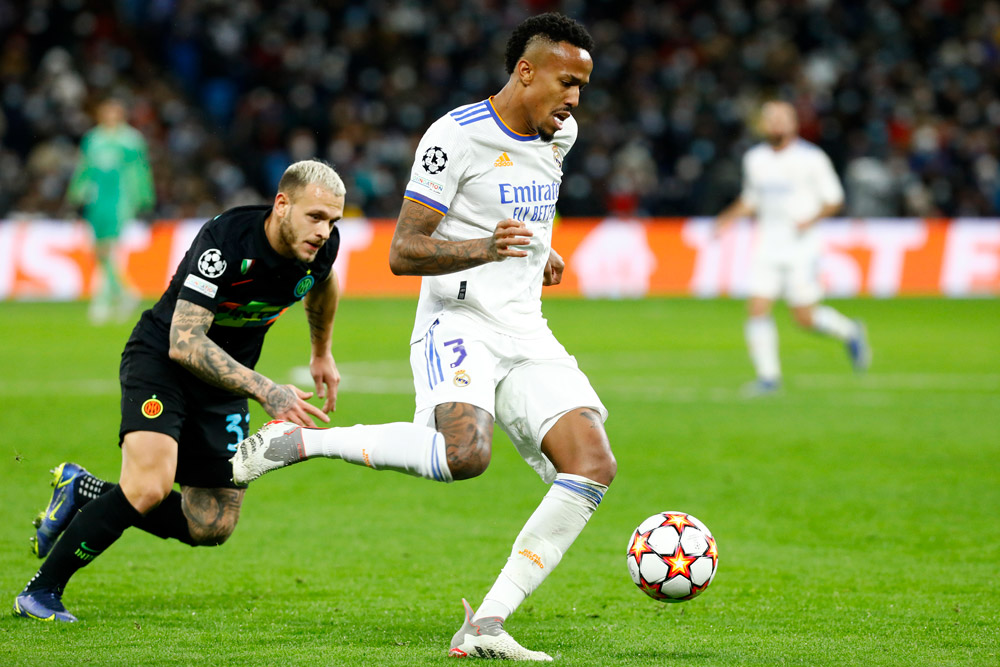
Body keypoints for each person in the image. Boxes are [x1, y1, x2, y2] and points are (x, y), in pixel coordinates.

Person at [230, 12, 614, 661]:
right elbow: (403, 253)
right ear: (526, 71)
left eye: (583, 84)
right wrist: (487, 247)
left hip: (525, 325)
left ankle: (486, 624)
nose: (575, 98)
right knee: (465, 454)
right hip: (457, 318)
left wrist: (536, 253)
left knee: (592, 465)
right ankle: (305, 441)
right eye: (566, 81)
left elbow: (528, 209)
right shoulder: (454, 138)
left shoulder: (561, 135)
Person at [14, 160, 346, 623]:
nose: (324, 231)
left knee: (211, 523)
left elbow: (323, 285)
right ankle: (41, 592)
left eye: (333, 221)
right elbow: (184, 342)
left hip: (224, 379)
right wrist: (267, 390)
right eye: (315, 217)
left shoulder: (321, 249)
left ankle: (82, 491)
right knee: (148, 487)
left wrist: (321, 352)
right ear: (282, 204)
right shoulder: (225, 243)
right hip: (162, 363)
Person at [714, 101, 872, 394]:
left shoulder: (812, 158)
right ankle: (768, 378)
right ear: (762, 125)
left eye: (781, 118)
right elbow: (751, 200)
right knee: (758, 308)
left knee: (804, 318)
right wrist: (726, 219)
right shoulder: (755, 159)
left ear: (794, 123)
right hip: (767, 245)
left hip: (802, 248)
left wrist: (810, 220)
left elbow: (834, 199)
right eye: (770, 118)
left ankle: (850, 331)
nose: (775, 124)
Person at [66, 98, 155, 324]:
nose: (110, 117)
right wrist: (75, 194)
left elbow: (141, 170)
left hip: (120, 200)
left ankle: (104, 301)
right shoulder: (93, 139)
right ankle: (124, 293)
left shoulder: (131, 140)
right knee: (98, 250)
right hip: (97, 201)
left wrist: (145, 199)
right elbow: (83, 168)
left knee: (108, 249)